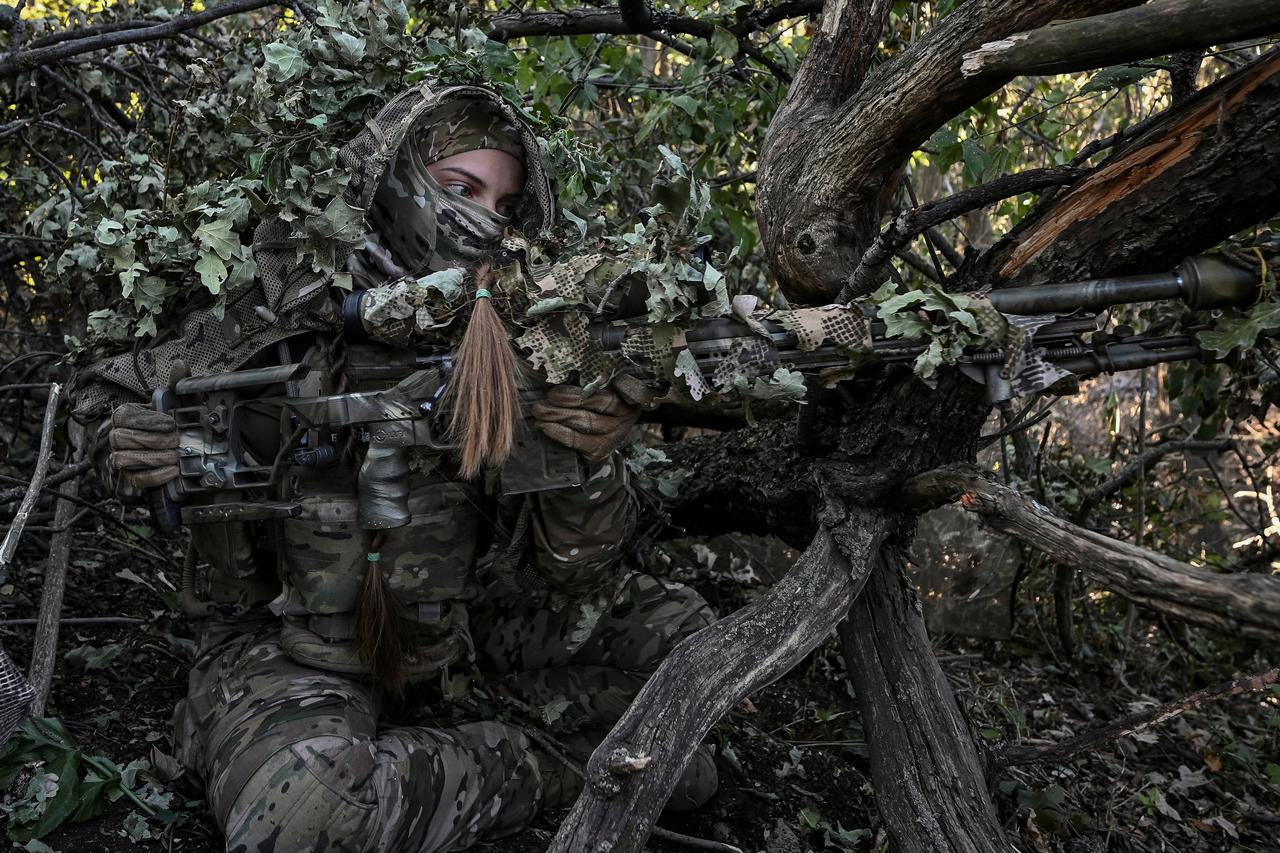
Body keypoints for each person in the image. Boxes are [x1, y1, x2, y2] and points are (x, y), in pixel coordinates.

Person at [75, 81, 718, 851]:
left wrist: (590, 455)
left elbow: (577, 572)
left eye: (505, 205)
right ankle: (553, 763)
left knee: (690, 646)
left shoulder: (532, 335)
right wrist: (126, 441)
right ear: (398, 180)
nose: (485, 220)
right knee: (304, 814)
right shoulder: (283, 311)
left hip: (468, 632)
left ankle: (458, 759)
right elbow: (98, 404)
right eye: (460, 188)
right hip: (289, 646)